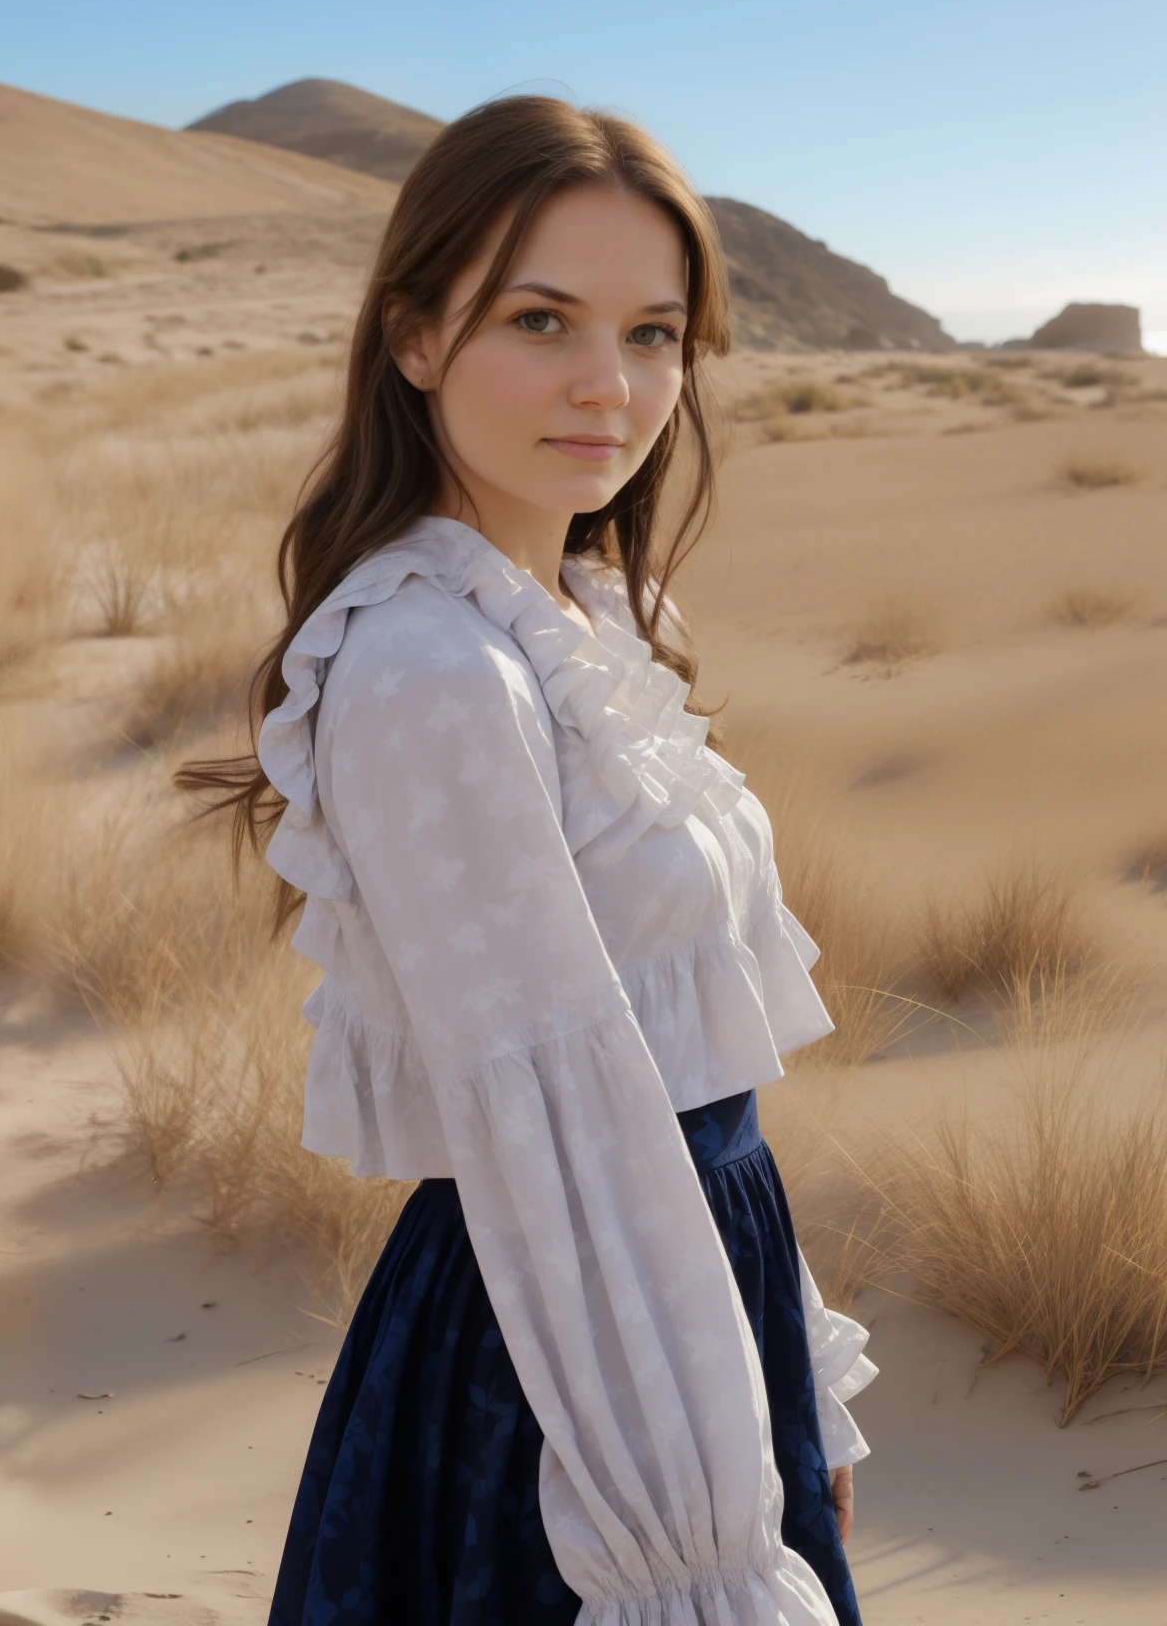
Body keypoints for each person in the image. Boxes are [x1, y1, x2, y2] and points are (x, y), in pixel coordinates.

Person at [179, 97, 875, 1626]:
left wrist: (795, 1367)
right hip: (575, 1388)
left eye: (654, 333)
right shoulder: (437, 671)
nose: (609, 387)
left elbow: (680, 1082)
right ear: (416, 335)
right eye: (542, 320)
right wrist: (693, 1546)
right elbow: (557, 1127)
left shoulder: (579, 616)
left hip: (682, 1307)